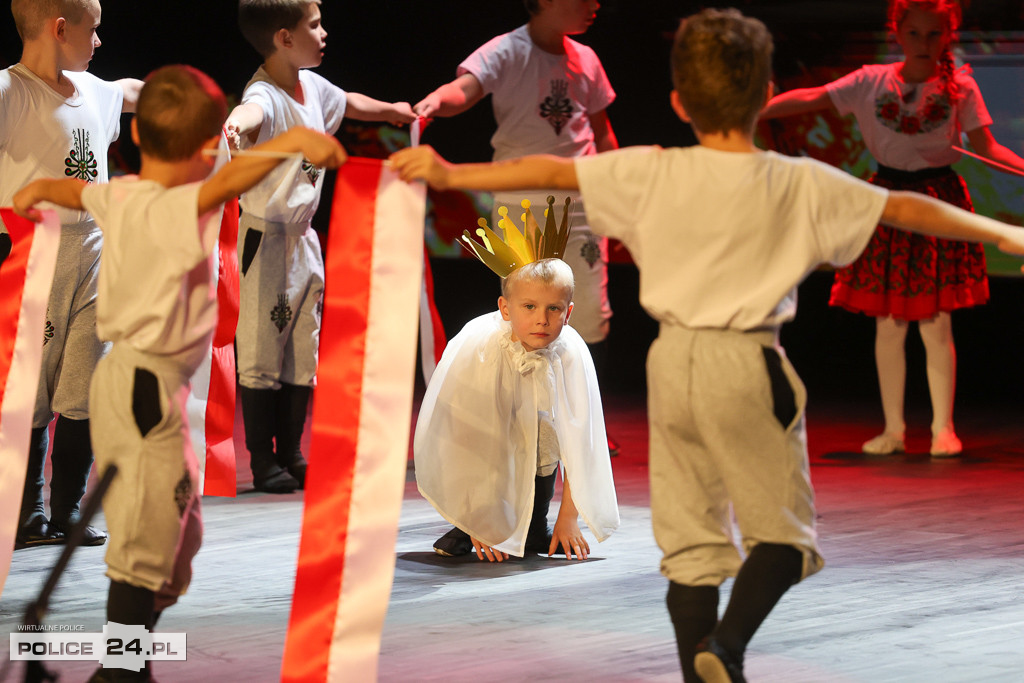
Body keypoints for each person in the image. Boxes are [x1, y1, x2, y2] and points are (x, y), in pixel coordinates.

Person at [390, 8, 1024, 681]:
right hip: (749, 364)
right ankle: (723, 648)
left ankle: (705, 669)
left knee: (691, 547)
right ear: (766, 94)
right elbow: (904, 208)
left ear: (678, 102)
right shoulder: (795, 180)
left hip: (674, 367)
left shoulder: (653, 171)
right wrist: (1007, 236)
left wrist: (451, 174)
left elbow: (547, 170)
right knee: (784, 539)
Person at [14, 64, 347, 682]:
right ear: (206, 150)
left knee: (176, 533)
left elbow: (72, 190)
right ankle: (122, 665)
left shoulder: (121, 194)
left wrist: (35, 192)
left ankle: (128, 649)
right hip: (141, 386)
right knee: (148, 534)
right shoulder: (183, 201)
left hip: (146, 387)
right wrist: (297, 142)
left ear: (136, 141)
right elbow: (239, 175)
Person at [760, 0, 1024, 457]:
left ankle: (944, 427)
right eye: (916, 34)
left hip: (939, 199)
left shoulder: (960, 87)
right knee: (889, 322)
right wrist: (758, 111)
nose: (926, 44)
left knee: (937, 322)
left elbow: (989, 147)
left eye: (935, 34)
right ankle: (893, 428)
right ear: (897, 34)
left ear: (949, 35)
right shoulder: (870, 81)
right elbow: (814, 96)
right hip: (884, 203)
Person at [222, 0, 414, 494]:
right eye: (314, 25)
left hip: (305, 240)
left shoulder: (312, 86)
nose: (324, 33)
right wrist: (236, 128)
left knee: (301, 350)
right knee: (263, 351)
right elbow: (249, 112)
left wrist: (392, 111)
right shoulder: (265, 93)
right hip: (266, 239)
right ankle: (262, 460)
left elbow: (348, 101)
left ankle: (292, 451)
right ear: (284, 38)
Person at [413, 0, 622, 454]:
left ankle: (585, 425)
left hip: (582, 202)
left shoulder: (586, 59)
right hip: (519, 200)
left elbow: (602, 133)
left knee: (587, 311)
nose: (594, 5)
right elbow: (464, 90)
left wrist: (617, 192)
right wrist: (433, 103)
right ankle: (524, 421)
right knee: (527, 312)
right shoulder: (508, 50)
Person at [0, 0, 143, 550]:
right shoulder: (12, 94)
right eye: (94, 29)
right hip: (35, 257)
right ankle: (27, 511)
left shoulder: (96, 92)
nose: (99, 41)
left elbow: (135, 91)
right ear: (61, 29)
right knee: (29, 389)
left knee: (84, 386)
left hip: (94, 253)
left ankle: (68, 511)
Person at [415, 255, 619, 562]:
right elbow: (468, 437)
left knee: (544, 434)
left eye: (554, 308)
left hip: (535, 442)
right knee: (494, 436)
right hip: (479, 448)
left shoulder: (571, 351)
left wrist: (569, 517)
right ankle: (464, 525)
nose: (542, 319)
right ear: (505, 308)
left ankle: (535, 525)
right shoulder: (483, 347)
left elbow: (582, 439)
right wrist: (480, 522)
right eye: (529, 307)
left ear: (569, 312)